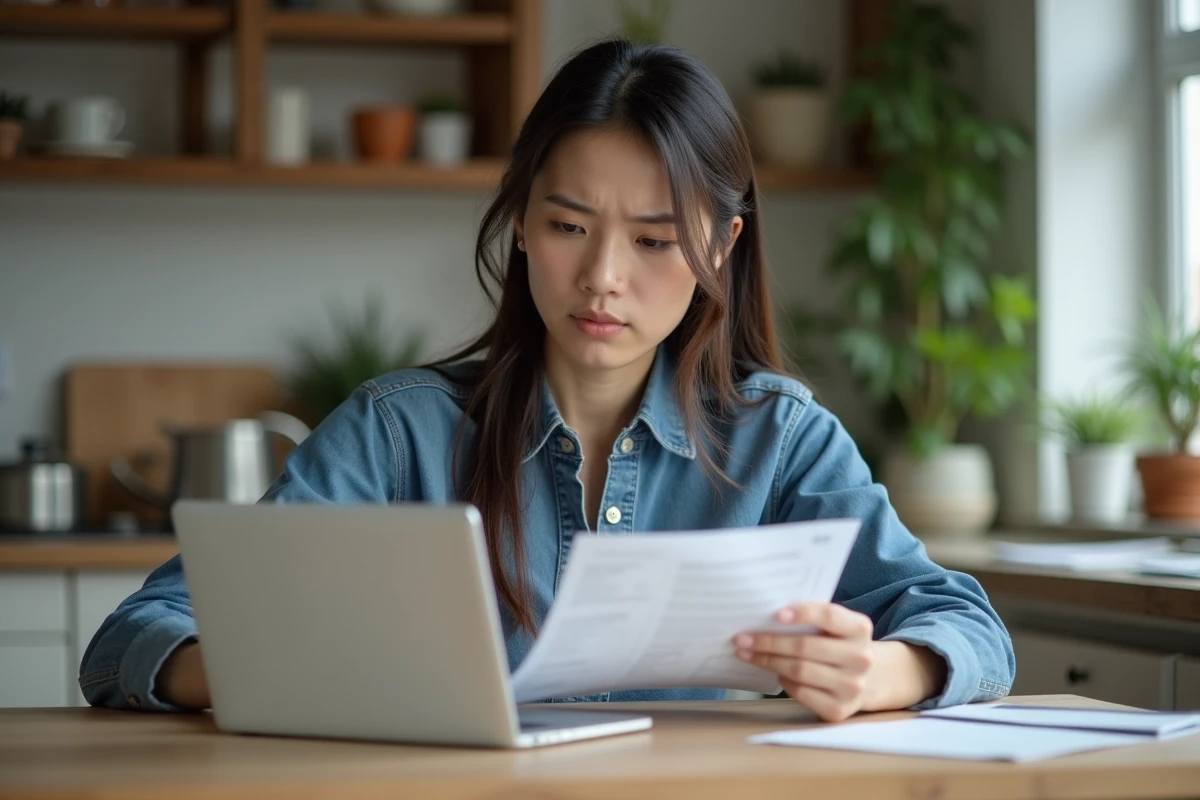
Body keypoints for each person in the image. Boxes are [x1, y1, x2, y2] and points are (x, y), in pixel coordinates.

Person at [79, 39, 1014, 723]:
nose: (603, 275)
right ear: (521, 220)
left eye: (654, 241)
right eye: (569, 226)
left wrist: (885, 673)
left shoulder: (781, 440)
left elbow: (966, 626)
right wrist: (278, 668)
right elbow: (135, 635)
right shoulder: (396, 434)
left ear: (720, 249)